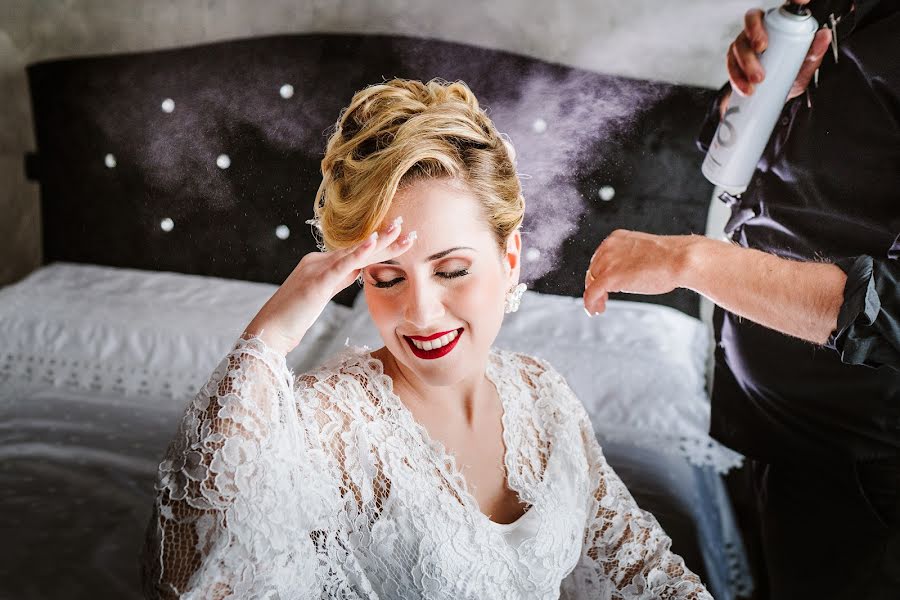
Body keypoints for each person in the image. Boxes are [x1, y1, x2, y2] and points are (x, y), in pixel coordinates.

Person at [140, 78, 711, 599]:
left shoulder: (544, 397)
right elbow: (193, 570)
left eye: (452, 270)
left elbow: (647, 571)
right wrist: (268, 336)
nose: (420, 311)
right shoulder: (335, 422)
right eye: (387, 279)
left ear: (509, 259)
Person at [582, 1, 899, 598]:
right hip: (767, 431)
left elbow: (894, 309)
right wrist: (750, 100)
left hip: (862, 473)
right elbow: (770, 176)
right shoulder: (836, 11)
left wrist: (689, 260)